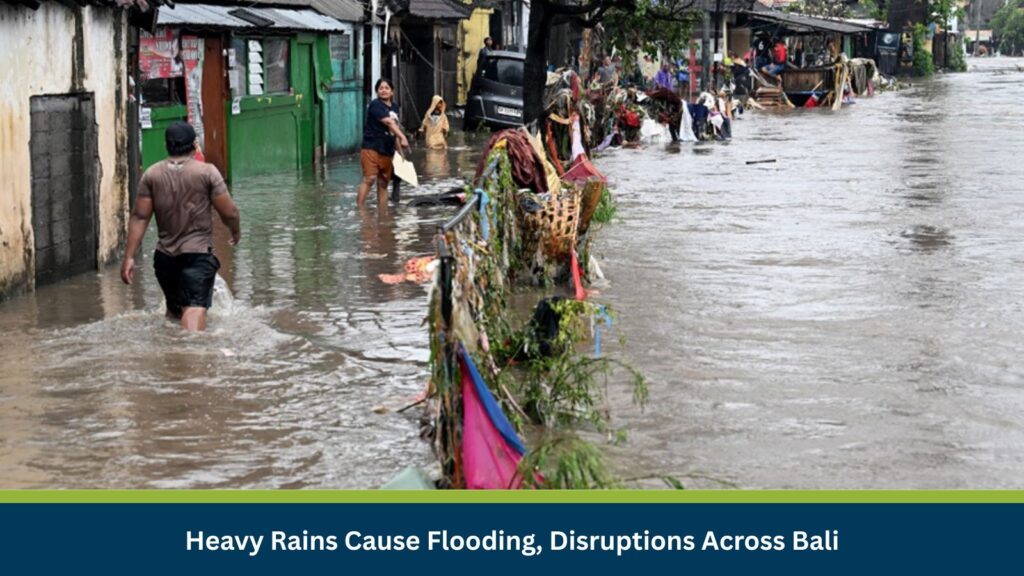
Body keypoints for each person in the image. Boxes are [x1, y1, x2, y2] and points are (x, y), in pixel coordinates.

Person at [120, 121, 240, 332]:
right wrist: (235, 230)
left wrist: (129, 257)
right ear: (194, 145)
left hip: (165, 259)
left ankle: (169, 357)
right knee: (194, 308)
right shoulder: (207, 172)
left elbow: (139, 217)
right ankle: (188, 357)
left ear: (167, 146)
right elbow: (229, 212)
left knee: (174, 312)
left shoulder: (152, 174)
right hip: (196, 256)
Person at [357, 78, 410, 209]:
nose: (384, 90)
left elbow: (394, 129)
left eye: (387, 88)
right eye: (381, 88)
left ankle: (384, 215)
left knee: (383, 183)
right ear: (377, 92)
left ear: (392, 92)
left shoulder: (395, 107)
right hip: (371, 147)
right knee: (369, 179)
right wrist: (403, 136)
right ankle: (360, 210)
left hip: (387, 149)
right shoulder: (375, 105)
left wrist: (400, 153)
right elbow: (389, 123)